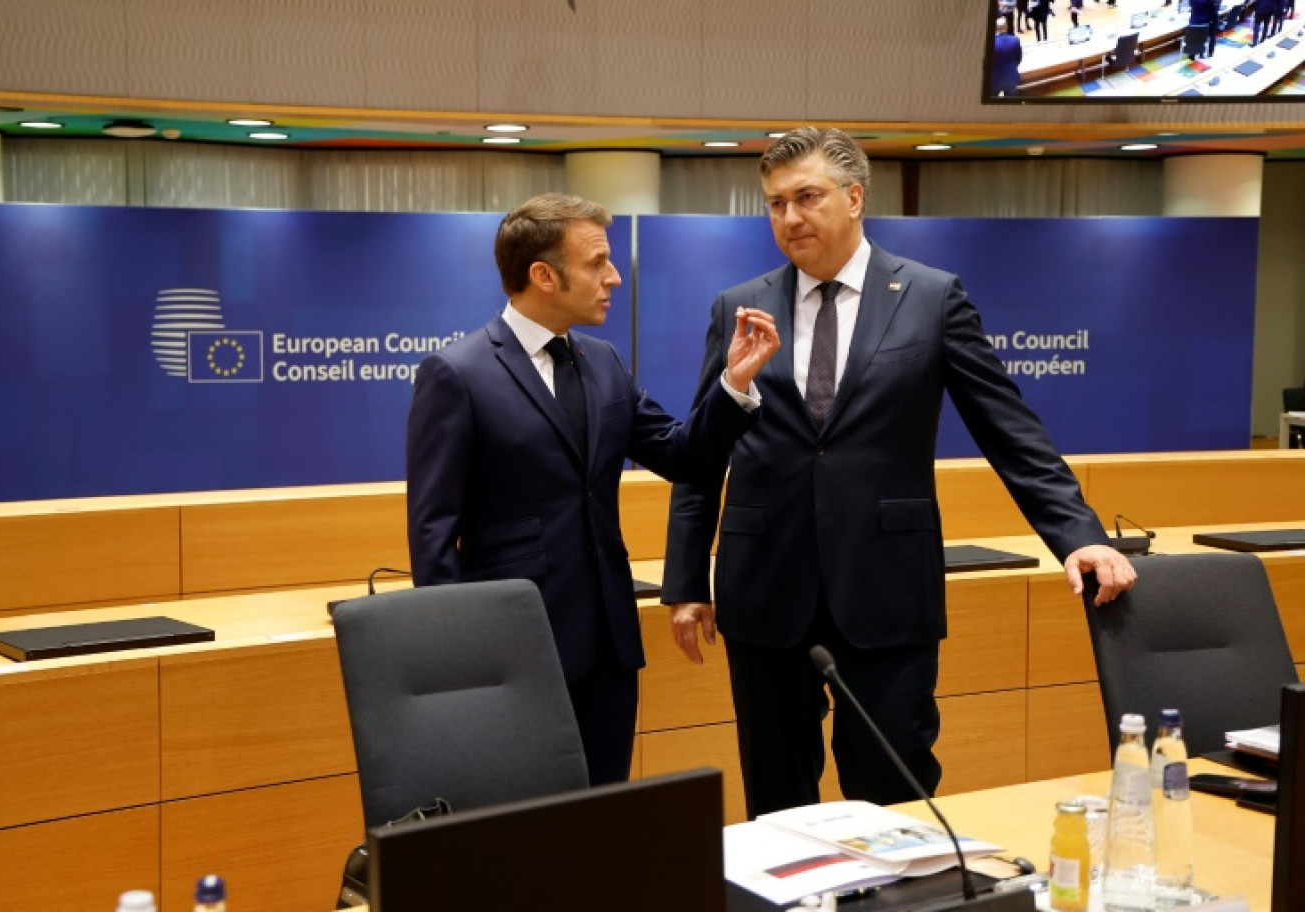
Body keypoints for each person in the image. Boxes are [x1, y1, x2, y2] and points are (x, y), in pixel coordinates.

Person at [661, 127, 1137, 817]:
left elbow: (1010, 431)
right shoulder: (739, 305)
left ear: (854, 198)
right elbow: (702, 455)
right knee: (776, 802)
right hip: (763, 587)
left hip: (886, 590)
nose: (790, 218)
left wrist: (1079, 534)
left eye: (808, 197)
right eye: (775, 203)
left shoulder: (931, 298)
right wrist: (685, 581)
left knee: (896, 798)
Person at [406, 193, 780, 787]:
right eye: (597, 262)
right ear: (544, 275)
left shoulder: (603, 360)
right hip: (512, 650)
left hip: (608, 644)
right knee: (524, 828)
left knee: (604, 819)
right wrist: (464, 662)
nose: (613, 278)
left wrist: (734, 384)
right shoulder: (457, 372)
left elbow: (683, 456)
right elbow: (431, 535)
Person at [992, 17, 1024, 97]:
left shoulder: (992, 43)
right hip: (1011, 78)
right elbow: (1019, 58)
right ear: (1006, 26)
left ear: (995, 28)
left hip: (995, 79)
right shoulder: (1015, 40)